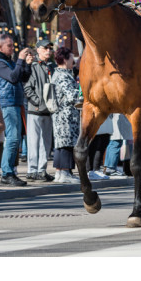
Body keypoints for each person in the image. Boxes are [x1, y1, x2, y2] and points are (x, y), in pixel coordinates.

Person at [0, 33, 33, 186]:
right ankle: (6, 173)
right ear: (0, 46)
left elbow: (23, 77)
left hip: (15, 102)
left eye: (13, 45)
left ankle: (10, 171)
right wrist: (20, 59)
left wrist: (26, 64)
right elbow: (13, 78)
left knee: (16, 139)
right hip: (8, 103)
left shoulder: (9, 61)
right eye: (9, 45)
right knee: (13, 138)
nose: (12, 48)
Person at [23, 39, 56, 182]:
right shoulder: (33, 66)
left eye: (50, 48)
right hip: (35, 109)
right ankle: (32, 170)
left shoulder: (51, 67)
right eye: (45, 48)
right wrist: (36, 102)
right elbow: (27, 87)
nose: (48, 50)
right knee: (33, 141)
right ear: (38, 50)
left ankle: (42, 170)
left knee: (46, 142)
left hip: (48, 110)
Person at [51, 47, 82, 183]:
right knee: (66, 144)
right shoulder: (63, 75)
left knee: (61, 143)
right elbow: (71, 96)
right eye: (71, 58)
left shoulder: (60, 73)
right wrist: (82, 93)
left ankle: (59, 172)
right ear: (64, 59)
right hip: (66, 115)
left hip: (63, 115)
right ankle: (65, 172)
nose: (73, 61)